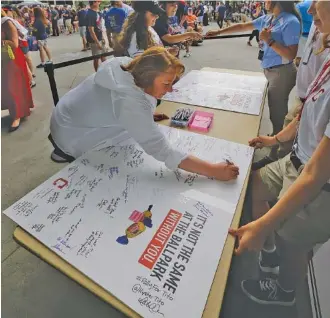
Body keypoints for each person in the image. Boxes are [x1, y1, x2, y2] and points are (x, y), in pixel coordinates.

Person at [229, 0, 330, 307]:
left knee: (294, 245)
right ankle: (270, 249)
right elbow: (309, 105)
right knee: (256, 185)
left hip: (317, 182)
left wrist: (264, 225)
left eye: (318, 6)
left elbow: (315, 175)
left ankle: (286, 292)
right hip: (297, 156)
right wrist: (277, 138)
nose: (310, 14)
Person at [49, 47, 239, 184]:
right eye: (166, 84)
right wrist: (213, 170)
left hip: (65, 115)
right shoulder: (130, 103)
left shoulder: (125, 65)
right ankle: (64, 152)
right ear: (147, 78)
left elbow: (120, 104)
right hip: (72, 134)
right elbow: (163, 151)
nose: (170, 89)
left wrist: (144, 116)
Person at [206, 0, 301, 170]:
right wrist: (219, 31)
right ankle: (276, 142)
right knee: (275, 112)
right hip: (270, 70)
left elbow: (291, 55)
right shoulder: (270, 18)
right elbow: (244, 26)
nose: (262, 2)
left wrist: (269, 41)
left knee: (277, 115)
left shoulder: (290, 21)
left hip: (282, 73)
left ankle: (277, 156)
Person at [278, 1, 329, 158]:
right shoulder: (319, 24)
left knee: (300, 144)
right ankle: (281, 158)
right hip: (306, 95)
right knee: (290, 134)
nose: (309, 10)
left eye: (316, 1)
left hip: (313, 100)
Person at [1, 9, 34, 132]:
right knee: (7, 87)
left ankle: (17, 115)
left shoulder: (6, 23)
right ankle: (17, 111)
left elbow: (14, 44)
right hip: (3, 60)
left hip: (12, 59)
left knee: (13, 87)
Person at [86, 0, 106, 72]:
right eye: (98, 1)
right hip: (94, 40)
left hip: (100, 37)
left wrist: (103, 38)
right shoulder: (90, 14)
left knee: (104, 56)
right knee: (96, 58)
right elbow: (91, 30)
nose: (99, 3)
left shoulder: (97, 13)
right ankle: (97, 73)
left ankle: (106, 72)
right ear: (94, 2)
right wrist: (97, 43)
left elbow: (100, 27)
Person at [295, 0, 313, 66]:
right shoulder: (318, 3)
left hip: (302, 36)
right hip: (314, 35)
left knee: (299, 58)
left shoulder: (299, 6)